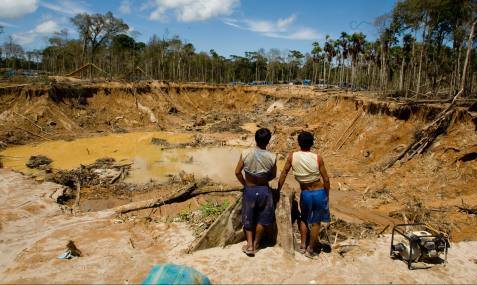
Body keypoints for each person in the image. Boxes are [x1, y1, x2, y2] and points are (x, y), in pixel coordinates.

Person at [277, 131, 330, 258]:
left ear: (299, 143)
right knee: (316, 222)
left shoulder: (292, 157)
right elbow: (326, 179)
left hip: (305, 193)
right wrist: (326, 195)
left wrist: (278, 189)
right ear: (312, 143)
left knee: (304, 218)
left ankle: (302, 245)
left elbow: (284, 173)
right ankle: (310, 248)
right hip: (319, 192)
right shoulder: (317, 158)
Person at [235, 128, 277, 257]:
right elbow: (273, 175)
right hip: (264, 191)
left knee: (248, 217)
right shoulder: (272, 157)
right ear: (268, 141)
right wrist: (263, 178)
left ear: (255, 139)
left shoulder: (245, 153)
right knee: (262, 219)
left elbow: (237, 172)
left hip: (250, 190)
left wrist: (245, 184)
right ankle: (257, 243)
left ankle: (249, 245)